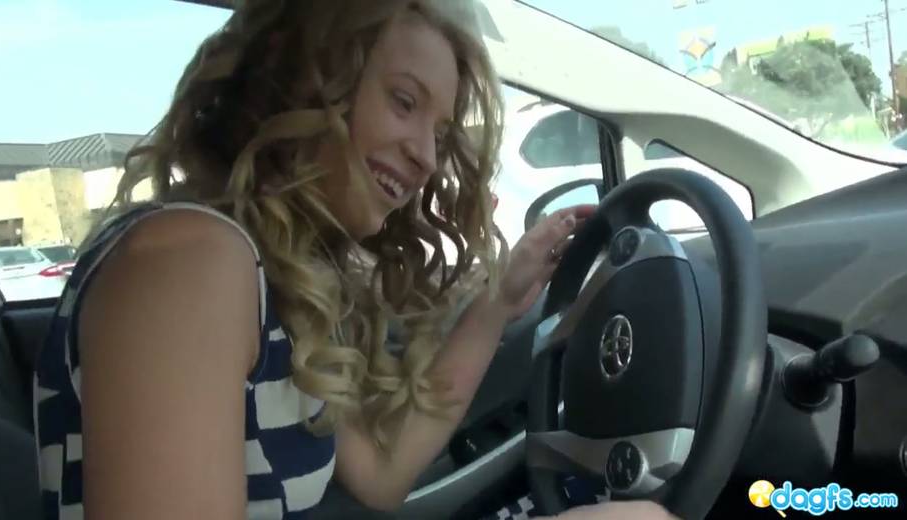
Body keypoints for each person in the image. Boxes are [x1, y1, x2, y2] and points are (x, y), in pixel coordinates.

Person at [33, 1, 677, 519]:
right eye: (404, 102)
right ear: (303, 80)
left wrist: (499, 302)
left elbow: (381, 476)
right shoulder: (191, 262)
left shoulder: (275, 285)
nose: (427, 156)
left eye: (440, 133)